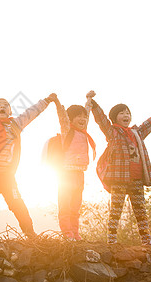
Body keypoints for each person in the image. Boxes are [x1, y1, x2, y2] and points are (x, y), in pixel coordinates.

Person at [87, 90, 151, 245]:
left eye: (128, 113)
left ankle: (146, 240)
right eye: (122, 113)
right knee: (116, 210)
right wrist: (93, 103)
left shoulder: (136, 133)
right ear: (115, 117)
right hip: (119, 179)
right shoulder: (112, 132)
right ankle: (112, 240)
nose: (126, 115)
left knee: (140, 210)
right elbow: (101, 120)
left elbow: (149, 124)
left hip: (137, 178)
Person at [0, 81, 55, 241]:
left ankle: (30, 234)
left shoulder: (16, 124)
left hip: (7, 176)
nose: (2, 106)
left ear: (10, 110)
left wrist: (46, 101)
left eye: (5, 105)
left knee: (17, 204)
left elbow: (32, 112)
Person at [50, 92, 96, 241]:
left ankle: (75, 233)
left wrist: (88, 99)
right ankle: (67, 234)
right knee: (65, 206)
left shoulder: (83, 131)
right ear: (70, 119)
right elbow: (62, 116)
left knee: (75, 207)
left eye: (84, 116)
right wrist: (56, 101)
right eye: (78, 116)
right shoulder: (67, 130)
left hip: (80, 174)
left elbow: (87, 111)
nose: (82, 119)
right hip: (65, 174)